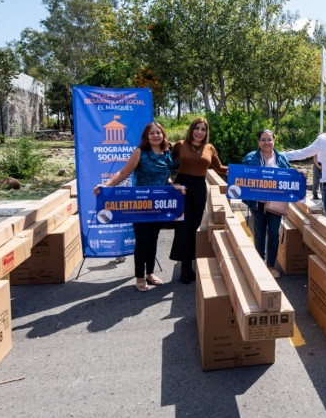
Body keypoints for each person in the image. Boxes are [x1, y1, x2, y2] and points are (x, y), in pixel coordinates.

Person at [93, 122, 175, 292]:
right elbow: (123, 173)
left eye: (158, 132)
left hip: (158, 205)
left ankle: (150, 273)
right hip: (140, 204)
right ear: (146, 137)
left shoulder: (167, 154)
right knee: (142, 240)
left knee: (153, 239)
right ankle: (139, 276)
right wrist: (106, 187)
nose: (155, 135)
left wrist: (174, 186)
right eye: (151, 133)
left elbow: (166, 178)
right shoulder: (139, 153)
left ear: (163, 135)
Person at [169, 117, 227, 283]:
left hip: (199, 189)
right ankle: (185, 267)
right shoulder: (181, 145)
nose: (200, 132)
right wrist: (168, 181)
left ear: (206, 132)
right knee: (182, 227)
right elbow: (167, 164)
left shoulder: (210, 148)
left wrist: (241, 171)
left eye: (203, 129)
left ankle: (191, 264)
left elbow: (220, 168)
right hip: (181, 188)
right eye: (197, 128)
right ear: (191, 129)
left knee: (194, 226)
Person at [242, 129, 291, 278]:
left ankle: (270, 266)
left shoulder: (281, 158)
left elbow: (289, 177)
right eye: (263, 139)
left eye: (269, 139)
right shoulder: (251, 158)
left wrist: (299, 175)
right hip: (258, 203)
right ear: (258, 142)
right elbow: (243, 176)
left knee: (274, 233)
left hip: (276, 203)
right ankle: (259, 264)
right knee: (259, 233)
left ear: (274, 141)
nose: (266, 142)